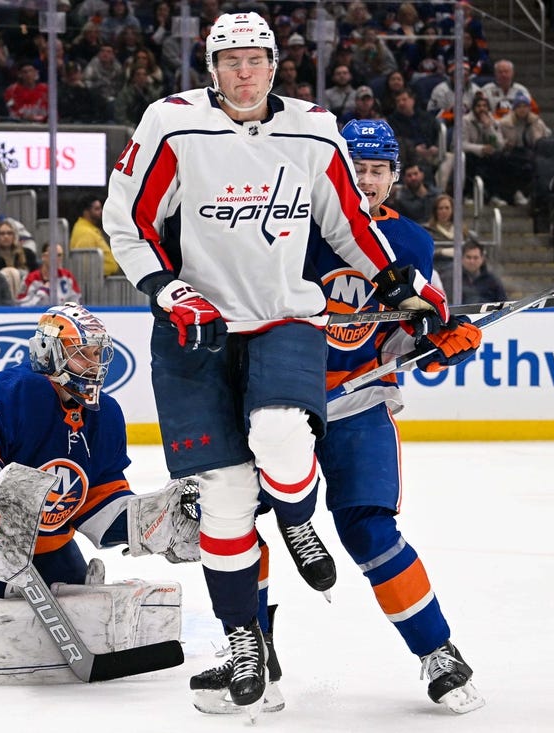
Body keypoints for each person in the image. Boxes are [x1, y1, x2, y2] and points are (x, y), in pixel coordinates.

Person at [103, 12, 449, 709]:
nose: (245, 72)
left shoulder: (313, 128)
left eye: (256, 59)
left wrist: (402, 283)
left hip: (285, 315)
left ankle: (296, 516)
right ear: (212, 66)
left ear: (273, 64)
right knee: (226, 503)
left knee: (284, 435)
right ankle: (243, 641)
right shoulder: (170, 123)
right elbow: (127, 220)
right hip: (194, 328)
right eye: (230, 60)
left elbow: (351, 225)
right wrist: (168, 290)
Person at [189, 120, 484, 716]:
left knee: (369, 530)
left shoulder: (412, 244)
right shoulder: (289, 228)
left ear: (395, 176)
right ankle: (256, 652)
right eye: (357, 168)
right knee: (238, 520)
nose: (368, 180)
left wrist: (447, 339)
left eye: (378, 170)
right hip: (276, 401)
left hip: (357, 401)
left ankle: (439, 652)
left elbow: (417, 326)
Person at [0, 303, 179, 597]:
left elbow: (98, 496)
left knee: (84, 618)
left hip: (48, 544)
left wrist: (146, 524)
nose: (95, 364)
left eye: (97, 353)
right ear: (48, 352)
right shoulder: (10, 390)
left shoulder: (106, 414)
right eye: (82, 353)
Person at [70, 194, 118, 276]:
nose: (101, 212)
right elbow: (85, 266)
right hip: (94, 284)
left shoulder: (88, 229)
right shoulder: (85, 233)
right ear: (86, 212)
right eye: (97, 209)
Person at [460, 240, 507, 304]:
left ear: (482, 259)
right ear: (462, 258)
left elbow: (503, 305)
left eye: (475, 258)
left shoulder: (493, 281)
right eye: (468, 257)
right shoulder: (453, 279)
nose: (472, 261)